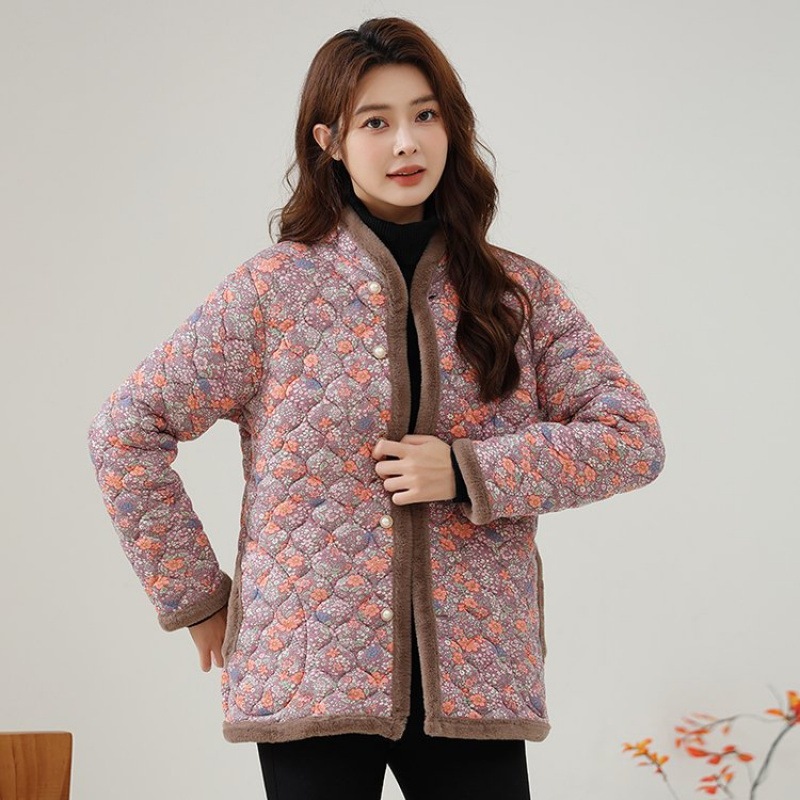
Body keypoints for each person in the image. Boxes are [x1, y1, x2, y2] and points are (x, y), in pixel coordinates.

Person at [86, 15, 666, 800]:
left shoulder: (515, 294)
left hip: (477, 673)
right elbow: (124, 430)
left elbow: (632, 438)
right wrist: (195, 598)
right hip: (309, 673)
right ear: (329, 140)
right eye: (376, 122)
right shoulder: (272, 292)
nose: (406, 143)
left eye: (425, 115)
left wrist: (466, 470)